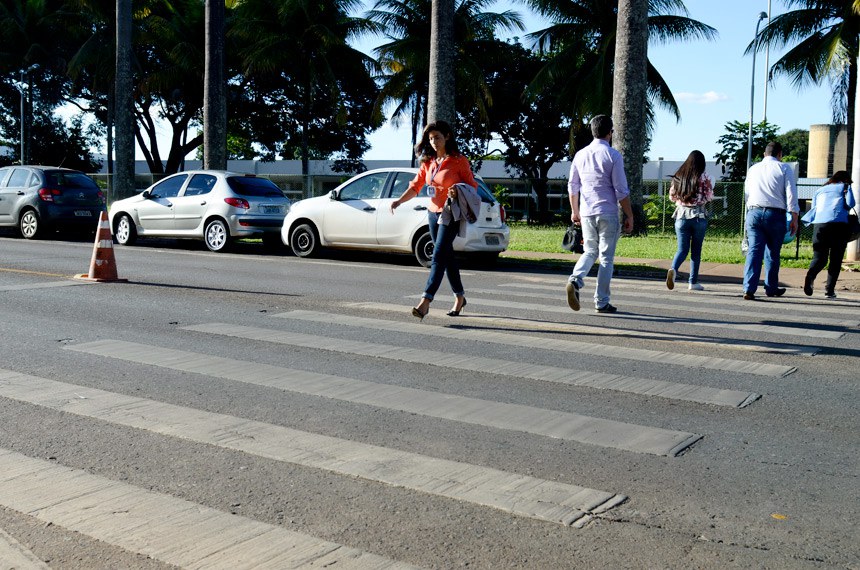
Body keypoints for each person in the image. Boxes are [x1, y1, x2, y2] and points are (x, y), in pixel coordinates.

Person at [390, 120, 478, 319]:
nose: (433, 142)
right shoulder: (428, 162)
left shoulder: (459, 161)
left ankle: (425, 301)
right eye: (430, 139)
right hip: (433, 213)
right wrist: (399, 201)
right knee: (447, 257)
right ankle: (460, 297)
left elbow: (473, 187)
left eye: (437, 137)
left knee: (437, 255)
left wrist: (458, 190)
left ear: (447, 136)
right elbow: (416, 186)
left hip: (451, 213)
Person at [565, 115, 634, 314]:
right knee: (606, 258)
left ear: (593, 131)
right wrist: (629, 215)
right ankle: (601, 301)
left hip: (586, 212)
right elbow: (621, 190)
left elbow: (573, 185)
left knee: (590, 251)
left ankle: (575, 279)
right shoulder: (613, 156)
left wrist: (574, 210)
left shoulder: (580, 155)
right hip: (607, 212)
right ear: (610, 132)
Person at [741, 141, 799, 300]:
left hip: (754, 212)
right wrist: (794, 217)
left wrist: (750, 212)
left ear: (764, 155)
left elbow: (747, 194)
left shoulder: (753, 169)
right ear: (780, 154)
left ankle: (749, 288)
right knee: (773, 252)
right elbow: (791, 194)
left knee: (754, 251)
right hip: (775, 214)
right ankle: (771, 287)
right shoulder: (784, 167)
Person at [801, 170, 856, 299]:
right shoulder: (845, 186)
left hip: (820, 225)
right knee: (835, 260)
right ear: (845, 179)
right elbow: (851, 204)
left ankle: (810, 277)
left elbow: (814, 208)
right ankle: (829, 291)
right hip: (838, 226)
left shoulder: (820, 190)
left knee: (819, 258)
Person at [666, 150, 714, 291]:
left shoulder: (679, 176)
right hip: (698, 217)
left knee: (682, 249)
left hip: (681, 216)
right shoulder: (705, 177)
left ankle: (673, 269)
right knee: (696, 251)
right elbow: (709, 197)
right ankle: (692, 282)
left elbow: (672, 197)